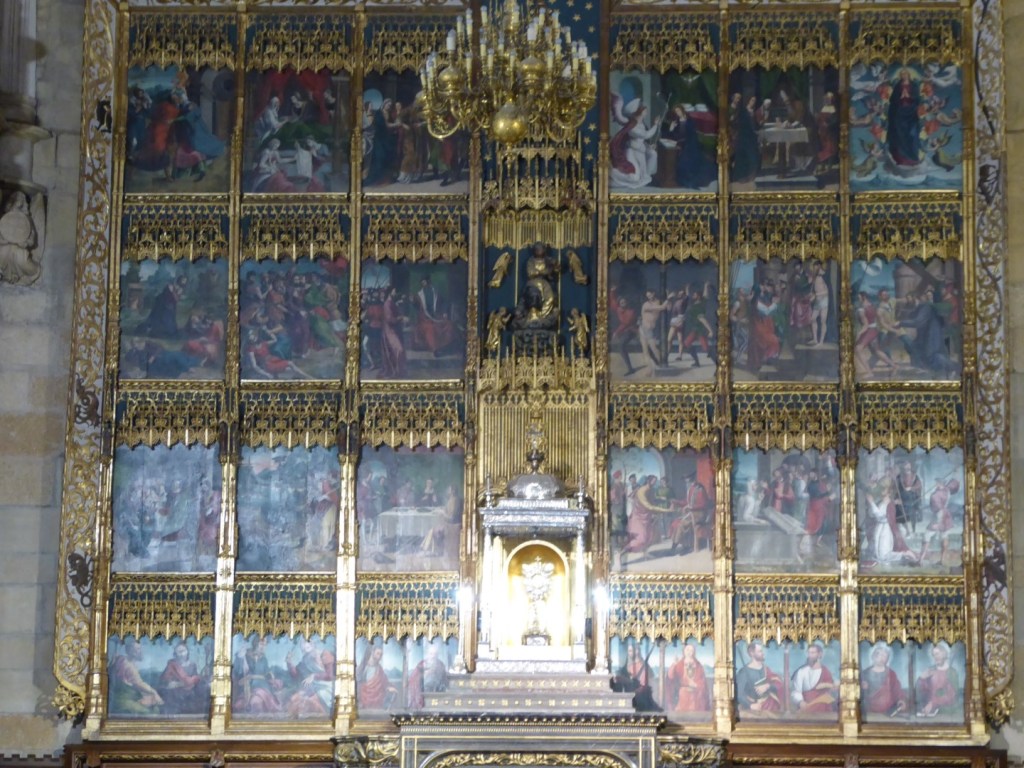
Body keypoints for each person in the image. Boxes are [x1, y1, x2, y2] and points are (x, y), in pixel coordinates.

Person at [610, 98, 660, 188]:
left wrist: (649, 146)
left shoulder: (641, 123)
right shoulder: (632, 126)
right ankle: (613, 174)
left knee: (652, 154)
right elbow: (645, 135)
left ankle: (648, 175)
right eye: (644, 110)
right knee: (635, 178)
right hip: (632, 152)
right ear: (639, 112)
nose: (646, 111)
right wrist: (655, 125)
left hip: (640, 152)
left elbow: (642, 140)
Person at [625, 474, 675, 561]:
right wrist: (667, 510)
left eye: (655, 482)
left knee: (649, 536)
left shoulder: (651, 490)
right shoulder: (641, 491)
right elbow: (649, 506)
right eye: (653, 481)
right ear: (648, 481)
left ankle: (645, 554)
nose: (654, 483)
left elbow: (653, 500)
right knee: (641, 539)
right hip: (638, 518)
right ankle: (623, 551)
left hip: (647, 517)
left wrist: (662, 500)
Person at [108, 637, 164, 715]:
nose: (140, 651)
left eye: (139, 648)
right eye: (137, 649)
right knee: (151, 712)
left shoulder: (122, 659)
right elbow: (138, 683)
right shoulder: (128, 665)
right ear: (130, 651)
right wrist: (154, 692)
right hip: (123, 699)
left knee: (153, 703)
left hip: (128, 695)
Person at [232, 635, 283, 715]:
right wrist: (240, 658)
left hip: (261, 686)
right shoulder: (245, 654)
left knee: (256, 703)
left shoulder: (263, 659)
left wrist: (271, 675)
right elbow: (238, 671)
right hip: (247, 686)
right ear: (256, 643)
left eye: (265, 644)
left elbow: (266, 672)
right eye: (261, 644)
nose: (263, 647)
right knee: (239, 705)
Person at [285, 638, 335, 717]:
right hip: (310, 687)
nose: (305, 645)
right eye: (303, 643)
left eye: (308, 642)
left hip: (325, 686)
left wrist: (314, 676)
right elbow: (296, 675)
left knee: (310, 702)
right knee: (294, 699)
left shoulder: (324, 654)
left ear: (312, 644)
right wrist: (289, 662)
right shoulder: (304, 660)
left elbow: (329, 676)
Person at [159, 641, 208, 715]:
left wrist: (189, 682)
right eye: (179, 652)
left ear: (187, 652)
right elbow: (165, 680)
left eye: (183, 651)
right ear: (175, 654)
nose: (182, 654)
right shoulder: (172, 664)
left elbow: (195, 679)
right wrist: (174, 683)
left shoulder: (192, 665)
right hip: (175, 692)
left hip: (190, 692)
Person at [735, 640, 783, 715]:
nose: (763, 653)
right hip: (752, 707)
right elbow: (739, 693)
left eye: (762, 651)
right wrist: (750, 705)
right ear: (752, 653)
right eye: (760, 651)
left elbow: (778, 683)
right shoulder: (743, 672)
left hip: (768, 704)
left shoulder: (765, 669)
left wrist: (767, 686)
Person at [790, 642, 838, 714]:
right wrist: (800, 702)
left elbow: (831, 691)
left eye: (813, 653)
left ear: (820, 654)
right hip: (807, 706)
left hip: (823, 707)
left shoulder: (825, 671)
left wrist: (832, 687)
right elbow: (796, 691)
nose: (810, 655)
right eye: (809, 653)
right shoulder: (801, 672)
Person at [612, 641, 661, 712]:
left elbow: (643, 686)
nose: (629, 653)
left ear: (637, 651)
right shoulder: (628, 666)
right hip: (628, 698)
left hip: (639, 700)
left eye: (631, 651)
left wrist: (631, 690)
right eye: (629, 651)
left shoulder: (643, 667)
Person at [915, 642, 960, 717]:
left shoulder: (952, 672)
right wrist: (921, 679)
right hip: (929, 710)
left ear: (945, 654)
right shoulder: (930, 670)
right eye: (934, 655)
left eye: (937, 654)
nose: (935, 657)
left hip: (945, 712)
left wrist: (933, 703)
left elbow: (952, 696)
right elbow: (922, 691)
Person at [887, 68, 922, 166]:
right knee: (899, 136)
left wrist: (909, 97)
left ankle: (913, 158)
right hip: (899, 114)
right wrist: (900, 97)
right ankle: (901, 159)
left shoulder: (914, 86)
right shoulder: (898, 86)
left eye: (905, 74)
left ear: (908, 75)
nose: (904, 76)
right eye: (902, 74)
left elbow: (918, 99)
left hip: (911, 114)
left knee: (912, 135)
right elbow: (892, 100)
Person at [861, 642, 905, 717]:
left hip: (887, 711)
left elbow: (896, 689)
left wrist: (901, 700)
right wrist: (863, 688)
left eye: (885, 655)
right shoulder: (865, 673)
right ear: (873, 656)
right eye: (879, 654)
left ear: (887, 658)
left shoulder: (891, 673)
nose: (882, 658)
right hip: (869, 711)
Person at [667, 642, 711, 713]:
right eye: (687, 650)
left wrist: (696, 685)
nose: (689, 652)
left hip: (696, 693)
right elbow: (671, 676)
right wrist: (674, 664)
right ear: (684, 651)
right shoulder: (679, 664)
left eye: (691, 650)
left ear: (694, 652)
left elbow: (702, 681)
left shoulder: (698, 665)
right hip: (683, 693)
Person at [356, 643, 397, 710]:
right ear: (373, 653)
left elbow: (384, 681)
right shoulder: (363, 667)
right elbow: (359, 682)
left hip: (378, 698)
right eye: (378, 653)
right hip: (365, 697)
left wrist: (389, 687)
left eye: (381, 654)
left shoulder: (379, 669)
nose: (379, 656)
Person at [406, 643, 448, 708]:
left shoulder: (441, 665)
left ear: (437, 655)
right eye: (431, 654)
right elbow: (413, 679)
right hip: (423, 694)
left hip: (438, 695)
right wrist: (425, 674)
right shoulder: (421, 664)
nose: (433, 656)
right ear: (427, 654)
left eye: (435, 654)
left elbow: (444, 680)